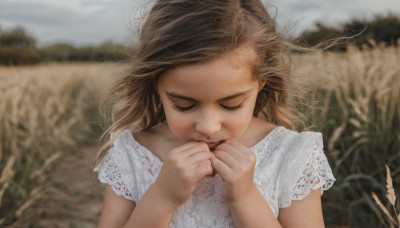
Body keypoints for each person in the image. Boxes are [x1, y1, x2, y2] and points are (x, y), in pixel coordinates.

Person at [94, 0, 336, 227]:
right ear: (156, 85)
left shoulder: (291, 156)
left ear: (260, 83)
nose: (208, 127)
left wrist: (245, 198)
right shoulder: (131, 155)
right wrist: (161, 197)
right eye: (183, 105)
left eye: (231, 105)